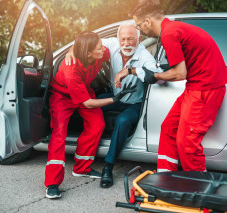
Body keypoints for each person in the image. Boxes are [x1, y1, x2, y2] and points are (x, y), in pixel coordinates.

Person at [129, 1, 227, 172]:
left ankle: (197, 187)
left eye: (138, 26)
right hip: (197, 86)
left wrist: (154, 75)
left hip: (205, 89)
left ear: (147, 21)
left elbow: (179, 73)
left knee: (187, 142)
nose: (140, 30)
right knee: (169, 127)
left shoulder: (169, 33)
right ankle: (166, 175)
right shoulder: (174, 28)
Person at [65, 22, 162, 188]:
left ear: (139, 39)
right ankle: (81, 146)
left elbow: (156, 76)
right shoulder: (111, 44)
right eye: (123, 39)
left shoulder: (144, 56)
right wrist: (71, 51)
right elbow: (85, 44)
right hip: (115, 97)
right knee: (85, 108)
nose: (126, 43)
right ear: (118, 38)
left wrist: (131, 70)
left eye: (131, 39)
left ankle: (108, 167)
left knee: (123, 121)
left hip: (135, 103)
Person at [45, 31, 135, 199]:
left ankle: (81, 168)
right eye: (100, 48)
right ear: (88, 53)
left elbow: (114, 48)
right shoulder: (71, 70)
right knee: (59, 133)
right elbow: (87, 103)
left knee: (97, 124)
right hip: (62, 97)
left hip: (84, 91)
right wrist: (113, 99)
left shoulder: (99, 54)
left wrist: (72, 48)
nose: (104, 50)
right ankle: (52, 183)